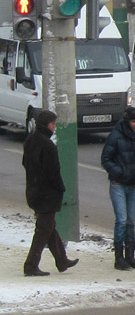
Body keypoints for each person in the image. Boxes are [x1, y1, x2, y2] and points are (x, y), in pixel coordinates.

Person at [22, 110, 78, 276]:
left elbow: (25, 163)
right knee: (43, 231)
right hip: (47, 195)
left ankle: (62, 261)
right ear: (48, 125)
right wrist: (60, 188)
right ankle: (31, 265)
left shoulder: (30, 140)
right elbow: (53, 172)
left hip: (33, 190)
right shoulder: (48, 146)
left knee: (48, 227)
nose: (54, 127)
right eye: (53, 124)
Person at [101, 107, 135, 271]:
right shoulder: (115, 136)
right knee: (121, 221)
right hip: (118, 184)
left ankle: (130, 256)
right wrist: (119, 172)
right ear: (127, 121)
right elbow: (105, 159)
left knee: (131, 222)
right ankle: (119, 258)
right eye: (133, 121)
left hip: (133, 184)